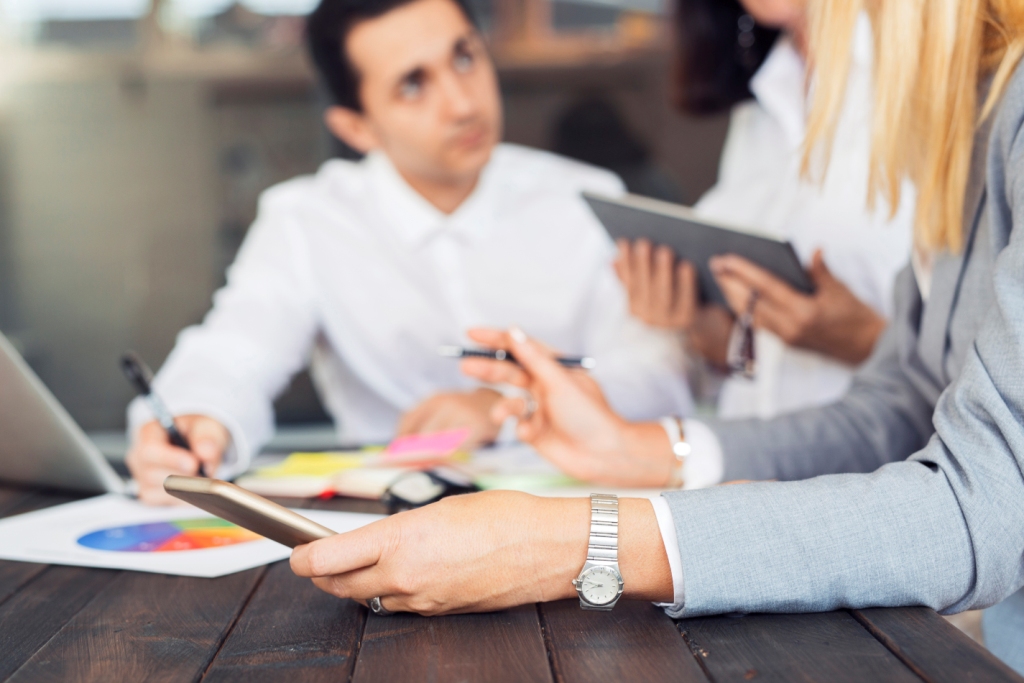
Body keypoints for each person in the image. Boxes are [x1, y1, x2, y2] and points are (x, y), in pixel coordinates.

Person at [289, 0, 1024, 673]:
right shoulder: (960, 117)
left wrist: (571, 542)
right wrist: (638, 449)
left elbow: (980, 509)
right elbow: (901, 404)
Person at [125, 0, 691, 504]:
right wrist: (202, 419)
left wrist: (504, 409)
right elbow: (235, 349)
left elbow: (658, 376)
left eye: (465, 58)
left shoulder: (587, 202)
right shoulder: (307, 219)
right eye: (414, 85)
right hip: (376, 518)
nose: (463, 104)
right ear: (356, 127)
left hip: (574, 512)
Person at [615, 0, 912, 423]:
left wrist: (866, 341)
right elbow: (757, 368)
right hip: (758, 467)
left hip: (889, 471)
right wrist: (705, 331)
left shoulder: (937, 80)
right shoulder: (766, 91)